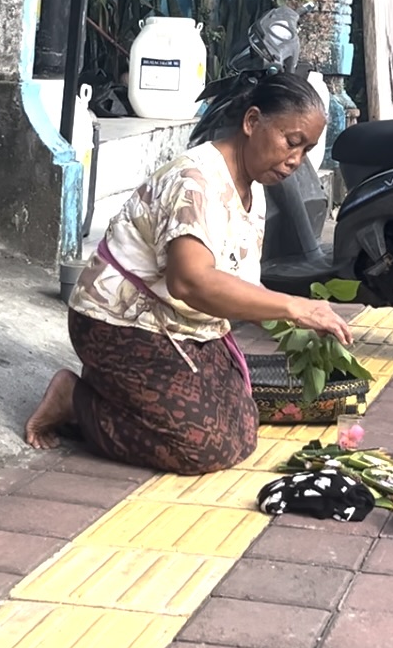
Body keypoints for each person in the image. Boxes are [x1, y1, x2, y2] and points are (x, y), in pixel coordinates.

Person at [25, 72, 352, 474]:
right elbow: (190, 281)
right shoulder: (194, 180)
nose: (296, 160)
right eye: (291, 141)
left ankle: (114, 389)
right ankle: (74, 400)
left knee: (242, 427)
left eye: (307, 150)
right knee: (201, 449)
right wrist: (296, 308)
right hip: (118, 324)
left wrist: (297, 327)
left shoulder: (254, 187)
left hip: (179, 324)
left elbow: (237, 283)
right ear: (252, 122)